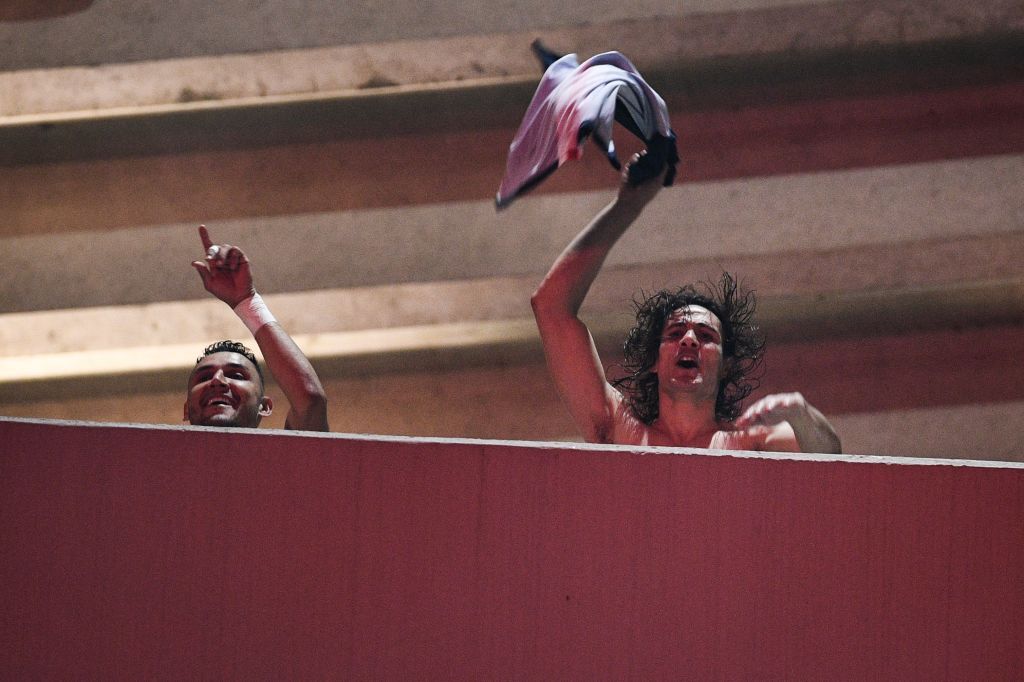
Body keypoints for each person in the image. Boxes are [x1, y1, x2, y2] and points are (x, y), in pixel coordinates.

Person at [530, 154, 840, 453]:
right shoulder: (617, 430)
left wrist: (802, 414)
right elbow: (550, 306)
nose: (689, 340)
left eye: (706, 336)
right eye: (675, 333)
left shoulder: (753, 444)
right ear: (654, 360)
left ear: (726, 365)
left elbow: (828, 454)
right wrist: (627, 206)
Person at [184, 225, 329, 432]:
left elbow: (310, 400)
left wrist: (247, 302)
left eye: (237, 375)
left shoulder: (287, 453)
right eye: (204, 377)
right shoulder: (152, 453)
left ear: (264, 407)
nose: (217, 381)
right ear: (186, 410)